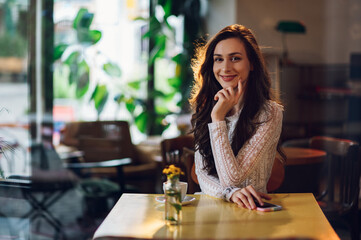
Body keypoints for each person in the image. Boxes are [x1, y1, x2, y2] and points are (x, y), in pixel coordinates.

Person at [189, 24, 284, 210]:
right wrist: (229, 193)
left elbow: (233, 179)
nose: (225, 67)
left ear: (252, 64)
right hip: (210, 208)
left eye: (235, 58)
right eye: (218, 59)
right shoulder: (206, 107)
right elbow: (201, 174)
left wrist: (218, 119)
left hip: (251, 212)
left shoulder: (269, 113)